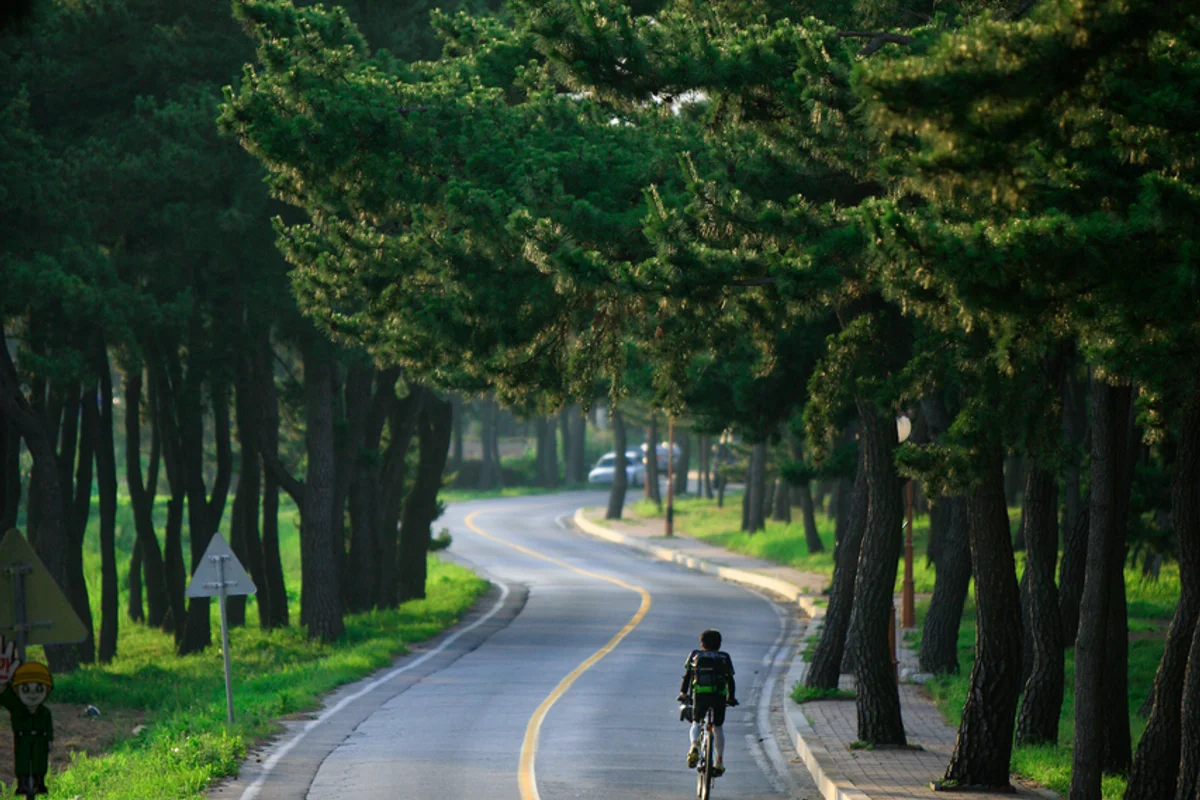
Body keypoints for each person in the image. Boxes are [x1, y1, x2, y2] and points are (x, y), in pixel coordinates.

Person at [677, 629, 737, 776]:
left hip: (700, 695)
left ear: (702, 644)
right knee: (718, 727)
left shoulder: (694, 655)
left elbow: (687, 676)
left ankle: (694, 746)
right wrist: (731, 697)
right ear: (719, 644)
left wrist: (683, 693)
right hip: (719, 697)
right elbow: (730, 680)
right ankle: (719, 762)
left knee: (696, 723)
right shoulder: (724, 657)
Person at [0, 661, 54, 796]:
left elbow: (49, 727)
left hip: (40, 738)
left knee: (39, 760)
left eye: (39, 689)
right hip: (22, 737)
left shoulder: (45, 712)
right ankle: (22, 783)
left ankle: (39, 782)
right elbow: (5, 697)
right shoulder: (17, 708)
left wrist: (49, 740)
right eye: (25, 689)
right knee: (22, 759)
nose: (32, 694)